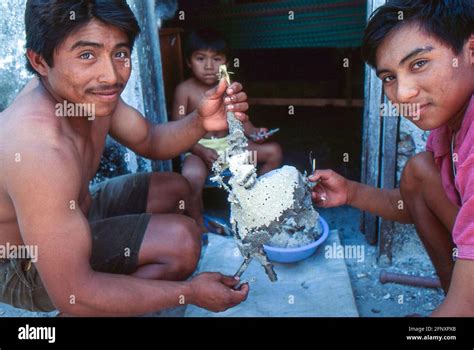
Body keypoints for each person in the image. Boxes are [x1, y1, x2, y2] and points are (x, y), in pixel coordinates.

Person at [0, 0, 250, 316]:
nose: (111, 76)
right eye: (86, 55)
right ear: (39, 61)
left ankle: (114, 290)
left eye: (120, 53)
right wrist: (188, 293)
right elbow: (73, 292)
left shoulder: (88, 93)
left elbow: (152, 139)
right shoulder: (38, 150)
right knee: (183, 244)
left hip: (74, 214)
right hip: (22, 263)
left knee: (176, 188)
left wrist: (201, 120)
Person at [309, 0, 474, 316]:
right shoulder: (450, 127)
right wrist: (351, 192)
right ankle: (457, 295)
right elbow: (414, 203)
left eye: (419, 63)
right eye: (388, 77)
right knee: (419, 173)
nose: (402, 94)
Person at [172, 28, 283, 231]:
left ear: (227, 62)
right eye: (200, 58)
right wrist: (201, 151)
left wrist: (256, 132)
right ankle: (198, 225)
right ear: (189, 61)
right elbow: (177, 132)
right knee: (191, 178)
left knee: (274, 152)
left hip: (230, 149)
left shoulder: (229, 87)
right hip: (197, 149)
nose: (209, 66)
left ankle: (254, 205)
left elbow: (242, 122)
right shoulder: (185, 90)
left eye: (217, 59)